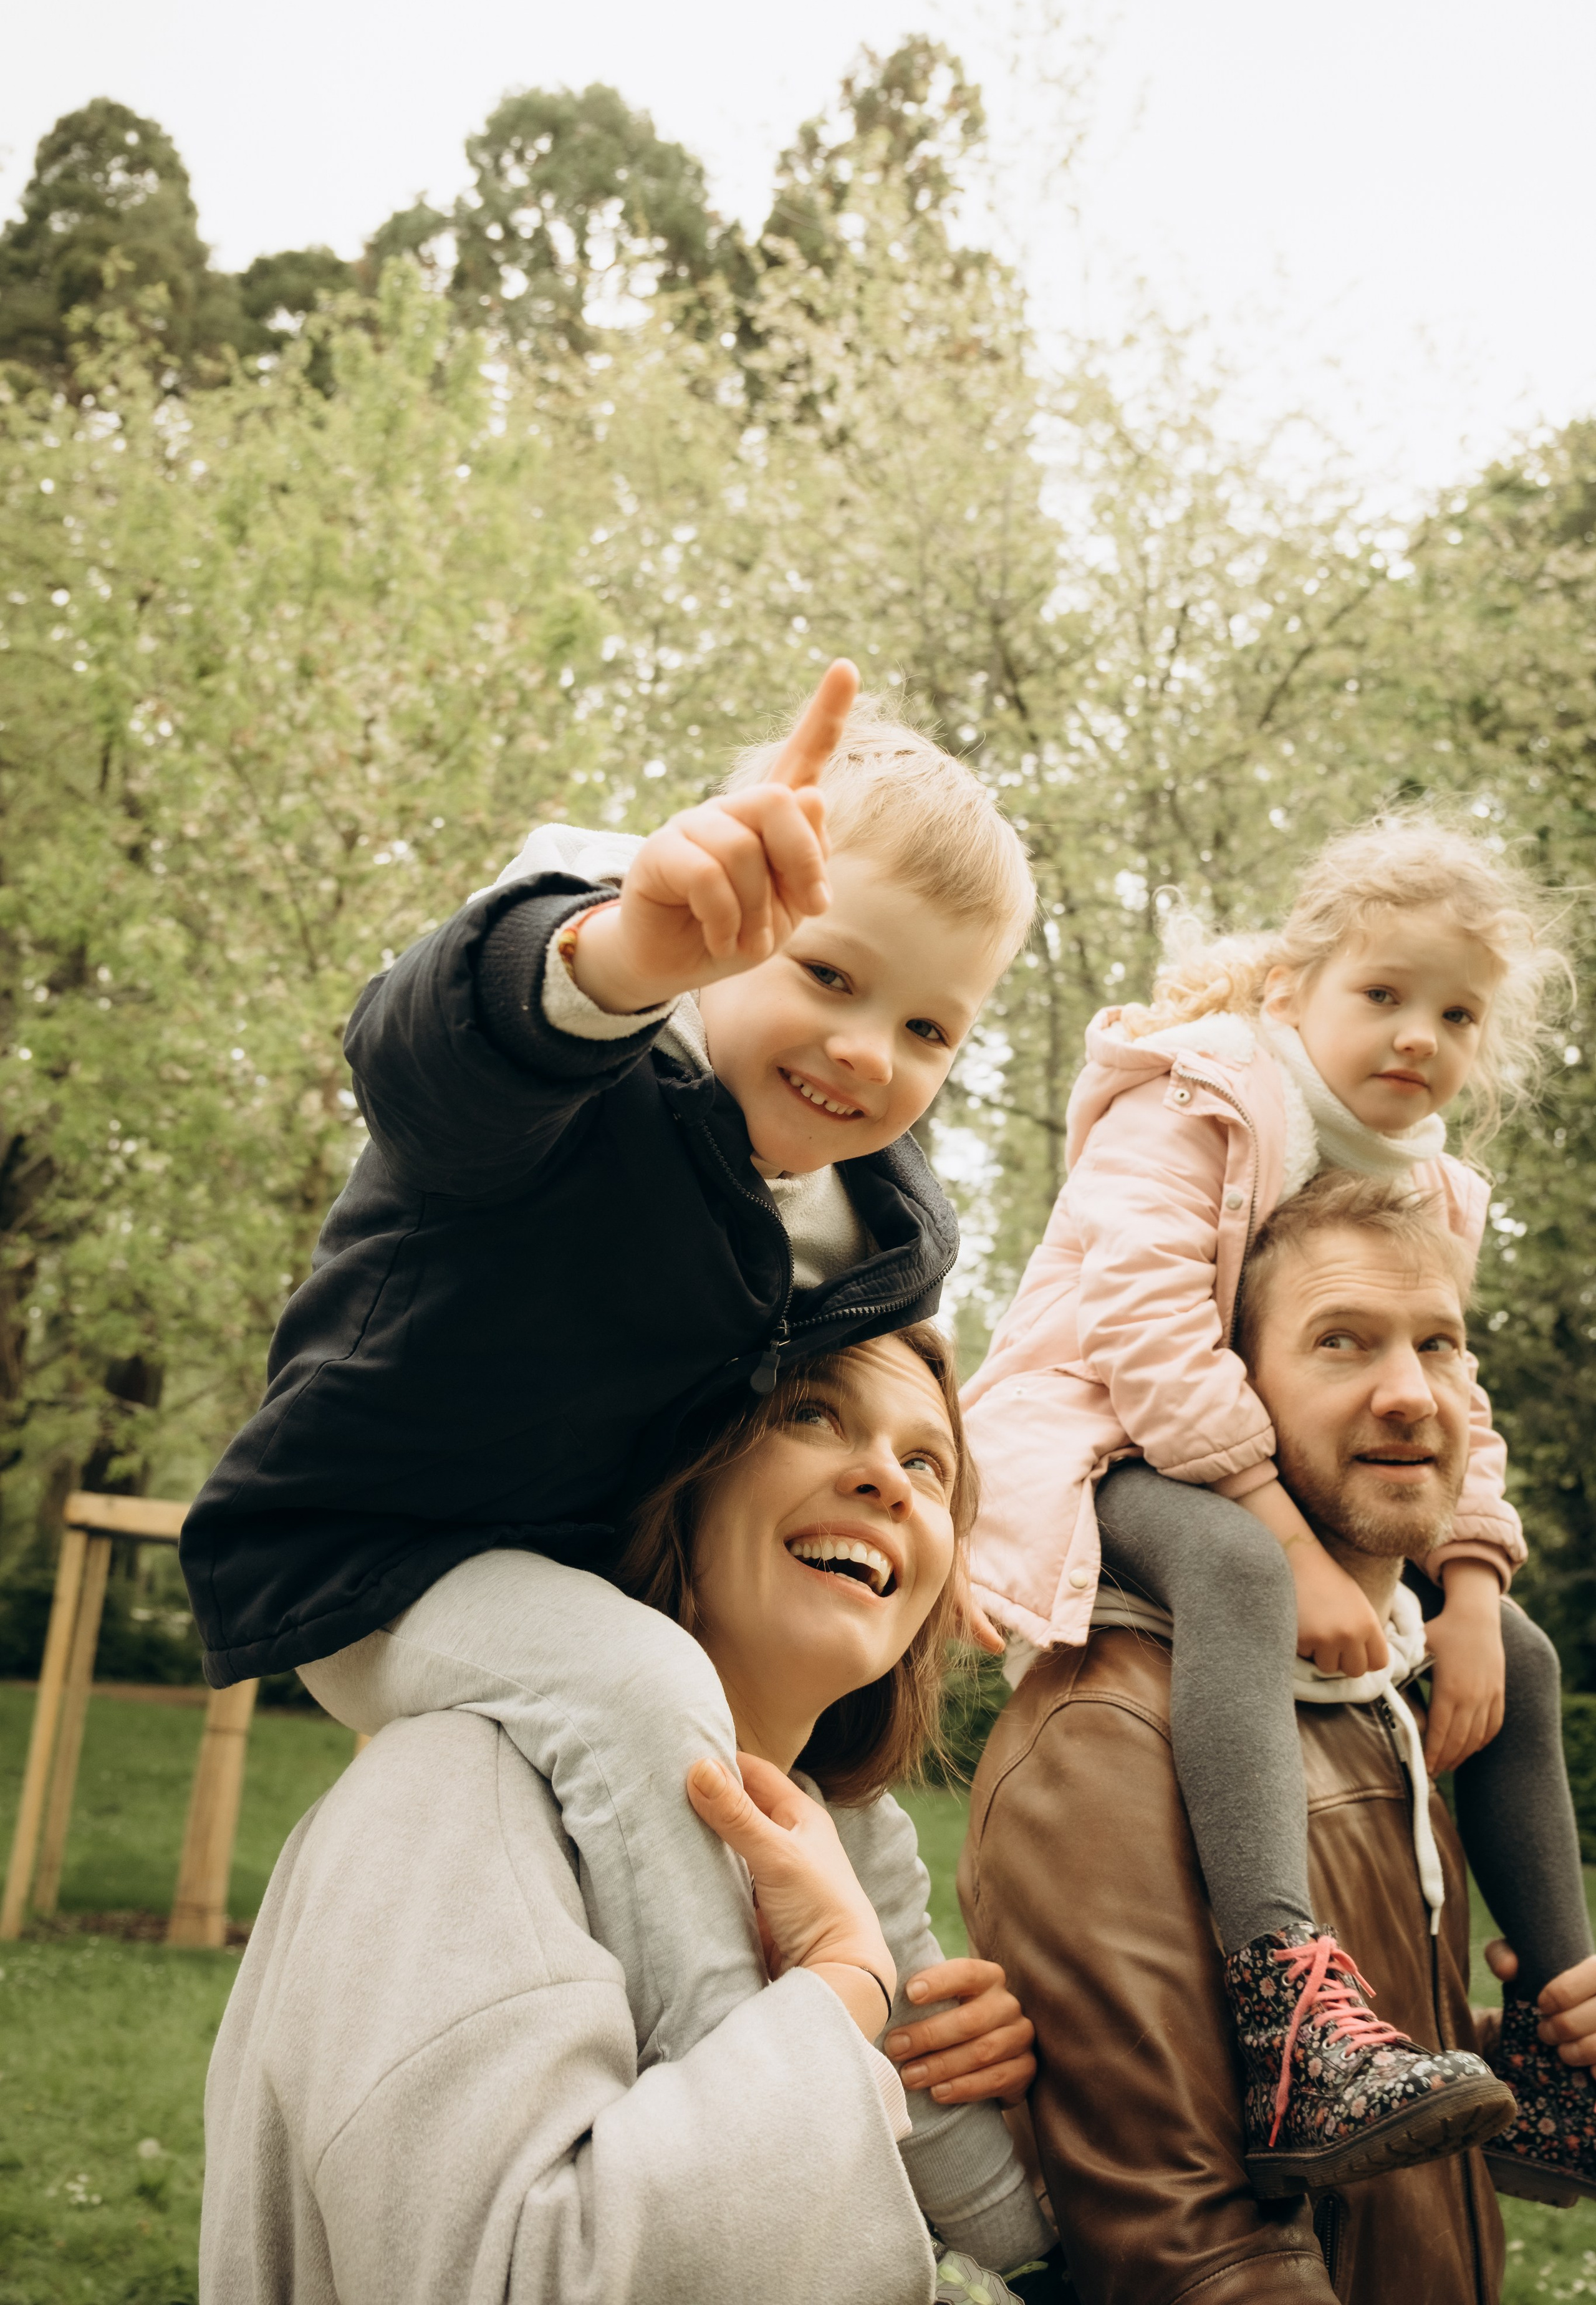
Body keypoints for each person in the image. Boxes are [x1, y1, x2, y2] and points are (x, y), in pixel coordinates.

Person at [959, 813, 1589, 2194]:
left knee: (1523, 1662)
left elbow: (1452, 1400)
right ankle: (1287, 2016)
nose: (1415, 1035)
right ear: (1292, 986)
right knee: (1241, 1577)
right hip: (1096, 1436)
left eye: (1455, 1013)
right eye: (1382, 994)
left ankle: (1562, 2048)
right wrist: (1292, 1539)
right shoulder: (1197, 1097)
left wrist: (1473, 1590)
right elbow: (1138, 1335)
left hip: (1235, 1466)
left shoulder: (1427, 1187)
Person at [201, 1326, 1059, 2304]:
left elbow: (972, 2247)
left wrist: (1012, 2109)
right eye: (812, 1414)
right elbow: (514, 2281)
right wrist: (837, 1996)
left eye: (927, 1464)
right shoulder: (451, 1797)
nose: (886, 1480)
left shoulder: (850, 1847)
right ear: (684, 1474)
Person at [960, 1176, 1596, 2303]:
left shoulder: (1383, 1697)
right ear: (1233, 1392)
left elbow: (1352, 2060)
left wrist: (1521, 2045)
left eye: (1440, 1345)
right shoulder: (1111, 1735)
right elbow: (1194, 2250)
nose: (1410, 1394)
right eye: (1342, 1343)